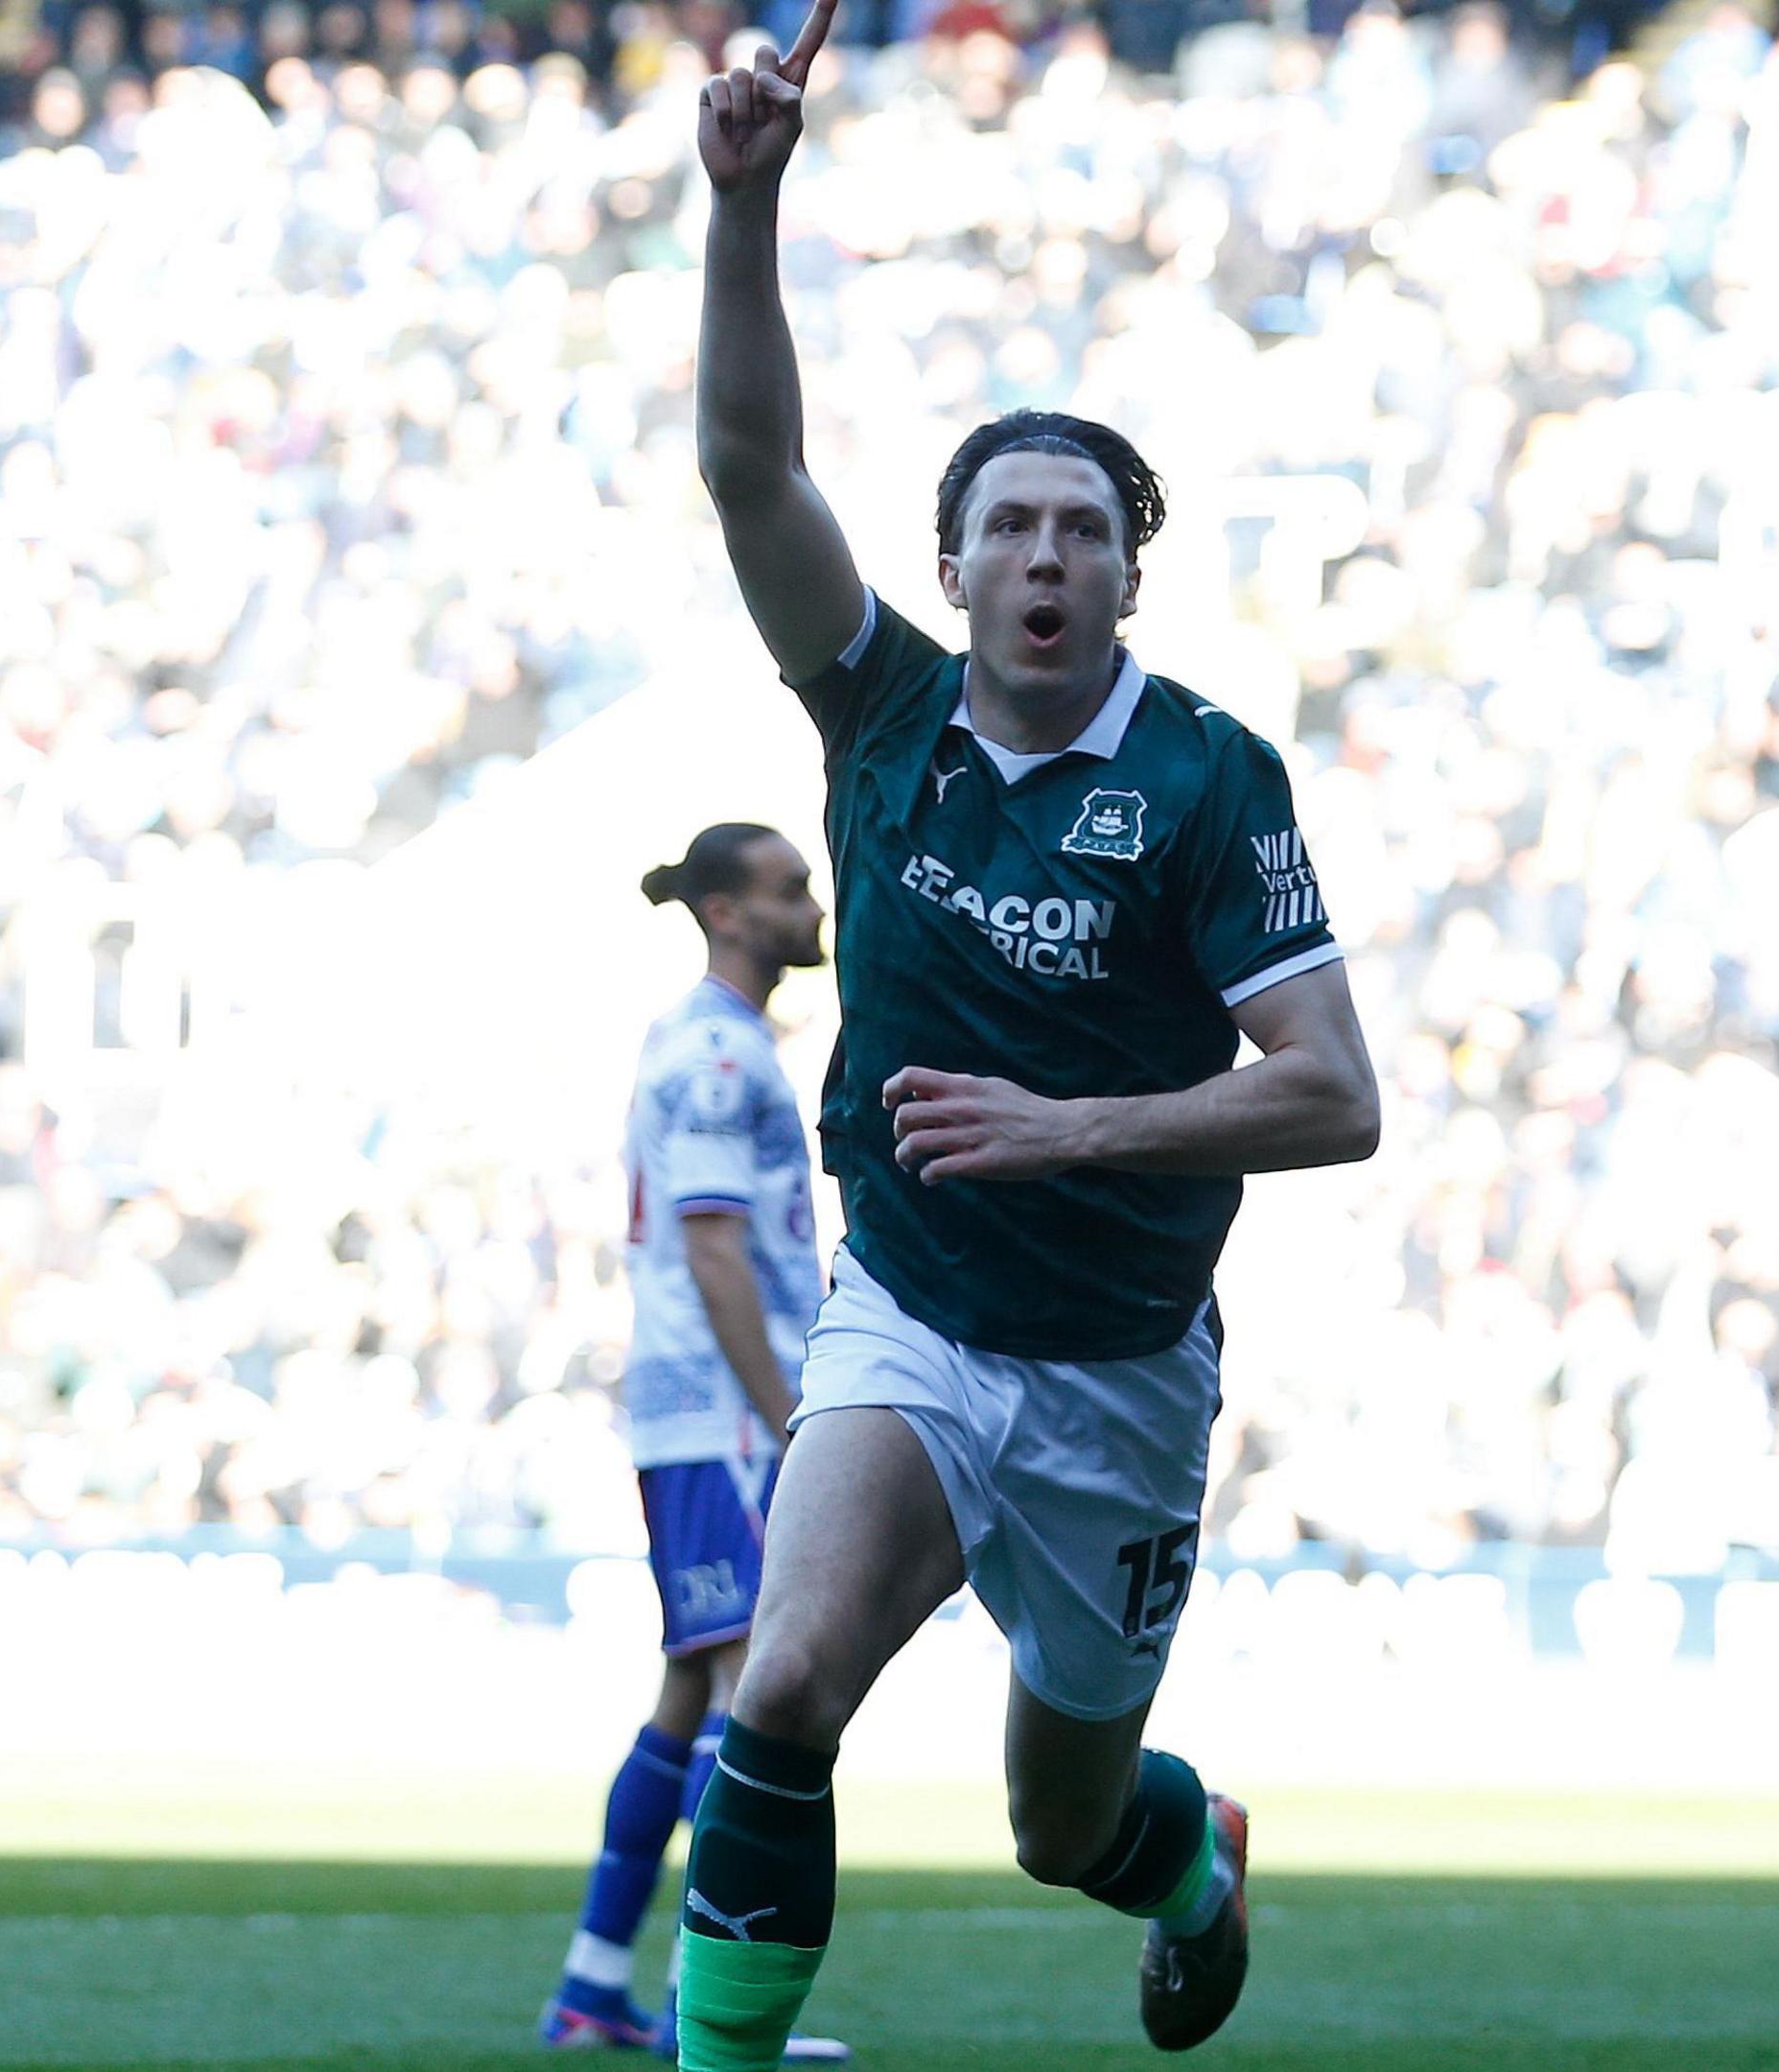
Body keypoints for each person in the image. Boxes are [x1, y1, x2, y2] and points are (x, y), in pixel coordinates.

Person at [670, 12, 1386, 2068]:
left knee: (1057, 1826)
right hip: (913, 1312)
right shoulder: (880, 712)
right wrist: (745, 202)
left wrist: (1066, 1132)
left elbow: (1334, 1096)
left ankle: (1191, 1858)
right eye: (1012, 525)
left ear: (1125, 568)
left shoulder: (1207, 778)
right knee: (787, 1680)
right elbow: (743, 464)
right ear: (955, 568)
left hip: (1121, 1374)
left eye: (1083, 527)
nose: (1046, 554)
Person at [541, 825, 851, 2061]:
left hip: (689, 1405)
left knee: (691, 1684)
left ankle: (589, 1985)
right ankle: (698, 2021)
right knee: (750, 1696)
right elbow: (715, 1243)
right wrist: (786, 1407)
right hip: (729, 1409)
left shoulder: (694, 1039)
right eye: (790, 890)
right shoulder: (722, 1051)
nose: (812, 903)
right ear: (728, 913)